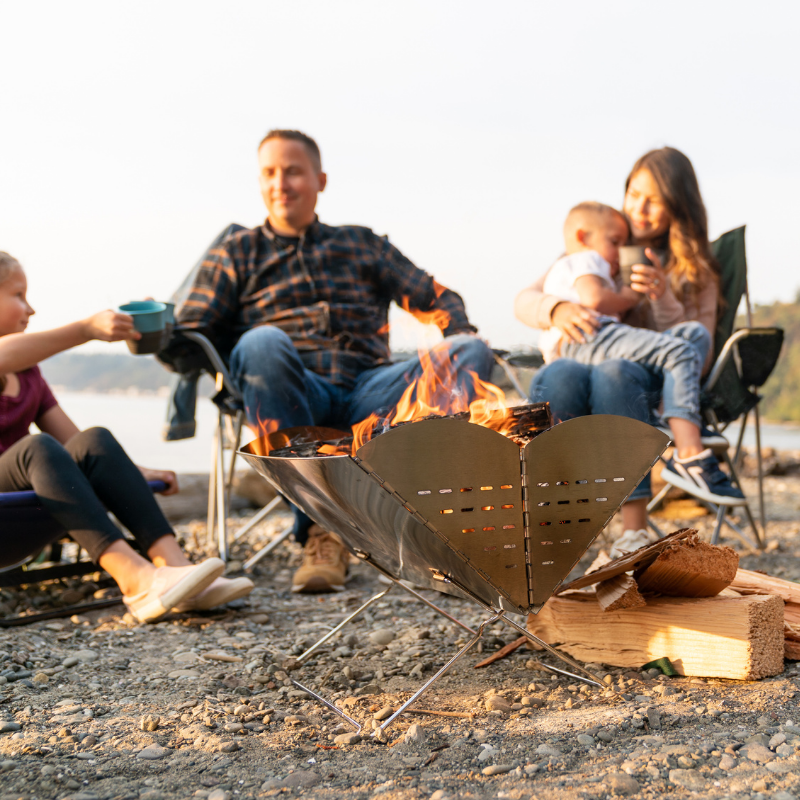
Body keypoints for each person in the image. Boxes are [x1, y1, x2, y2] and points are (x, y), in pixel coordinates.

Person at [177, 129, 494, 593]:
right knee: (261, 342)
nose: (280, 183)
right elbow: (192, 333)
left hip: (372, 391)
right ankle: (323, 534)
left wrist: (457, 330)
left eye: (293, 171)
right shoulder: (238, 251)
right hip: (291, 393)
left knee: (470, 350)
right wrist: (165, 330)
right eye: (269, 173)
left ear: (320, 180)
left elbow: (439, 297)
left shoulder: (360, 244)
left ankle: (438, 526)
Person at [0, 252, 254, 622]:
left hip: (36, 514)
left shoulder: (29, 375)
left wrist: (139, 471)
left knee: (94, 439)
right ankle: (134, 579)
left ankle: (178, 573)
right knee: (36, 447)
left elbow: (75, 448)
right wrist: (86, 329)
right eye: (19, 295)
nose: (31, 308)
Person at [515, 147, 733, 554]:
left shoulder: (695, 269)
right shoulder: (601, 243)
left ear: (678, 208)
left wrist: (662, 299)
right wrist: (556, 308)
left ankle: (632, 529)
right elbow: (525, 299)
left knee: (615, 372)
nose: (638, 208)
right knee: (559, 374)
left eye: (654, 201)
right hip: (581, 364)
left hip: (643, 385)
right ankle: (549, 523)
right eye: (634, 193)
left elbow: (695, 352)